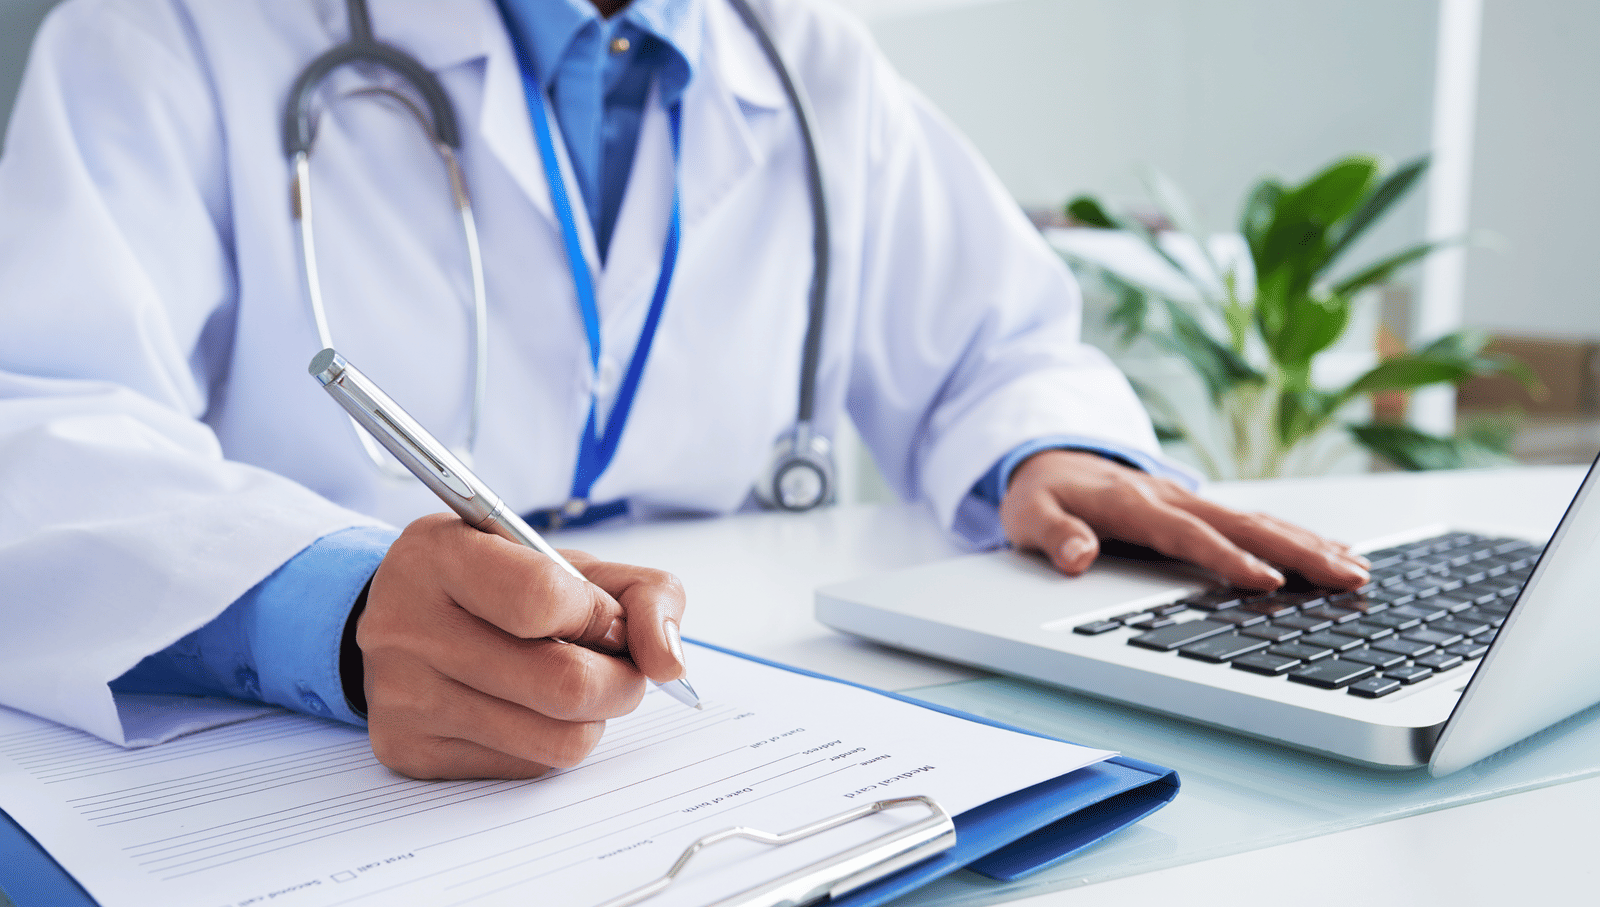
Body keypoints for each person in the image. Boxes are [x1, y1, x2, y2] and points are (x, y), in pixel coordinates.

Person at [0, 0, 1368, 781]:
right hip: (309, 784)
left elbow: (998, 341)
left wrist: (1044, 446)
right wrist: (337, 609)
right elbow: (37, 419)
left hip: (727, 743)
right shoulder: (172, 31)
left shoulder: (809, 58)